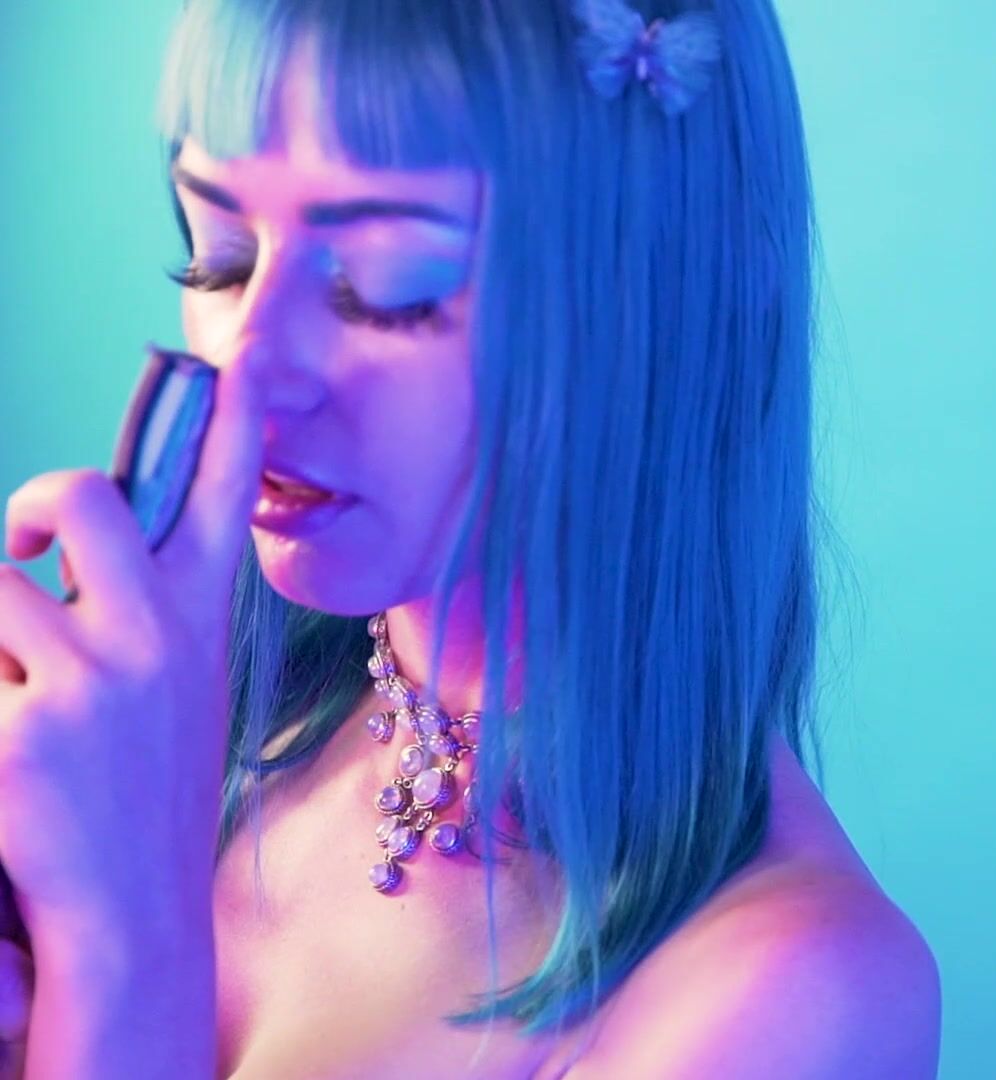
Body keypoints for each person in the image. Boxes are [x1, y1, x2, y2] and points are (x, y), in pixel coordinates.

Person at [0, 1, 940, 1076]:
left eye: (387, 288)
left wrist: (124, 935)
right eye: (220, 257)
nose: (251, 372)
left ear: (669, 300)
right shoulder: (177, 732)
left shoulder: (798, 998)